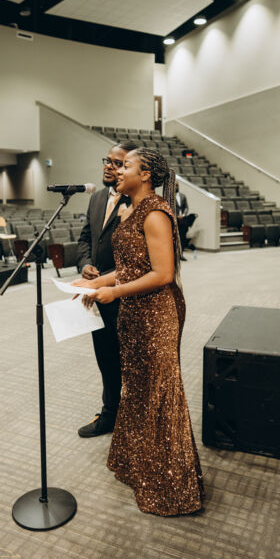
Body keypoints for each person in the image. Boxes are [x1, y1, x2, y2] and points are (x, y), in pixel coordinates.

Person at [74, 148, 205, 516]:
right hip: (134, 313)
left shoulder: (156, 213)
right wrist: (96, 282)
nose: (117, 170)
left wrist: (114, 292)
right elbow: (132, 267)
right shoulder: (132, 209)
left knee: (159, 393)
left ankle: (171, 488)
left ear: (145, 174)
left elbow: (163, 274)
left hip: (157, 315)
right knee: (138, 389)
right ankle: (142, 468)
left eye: (126, 165)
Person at [76, 141, 138, 438]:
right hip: (99, 295)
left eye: (117, 163)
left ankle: (136, 418)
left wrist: (106, 283)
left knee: (133, 362)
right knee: (106, 358)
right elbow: (86, 238)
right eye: (107, 160)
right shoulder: (97, 198)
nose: (109, 167)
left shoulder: (137, 200)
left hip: (127, 294)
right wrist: (86, 264)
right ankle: (110, 413)